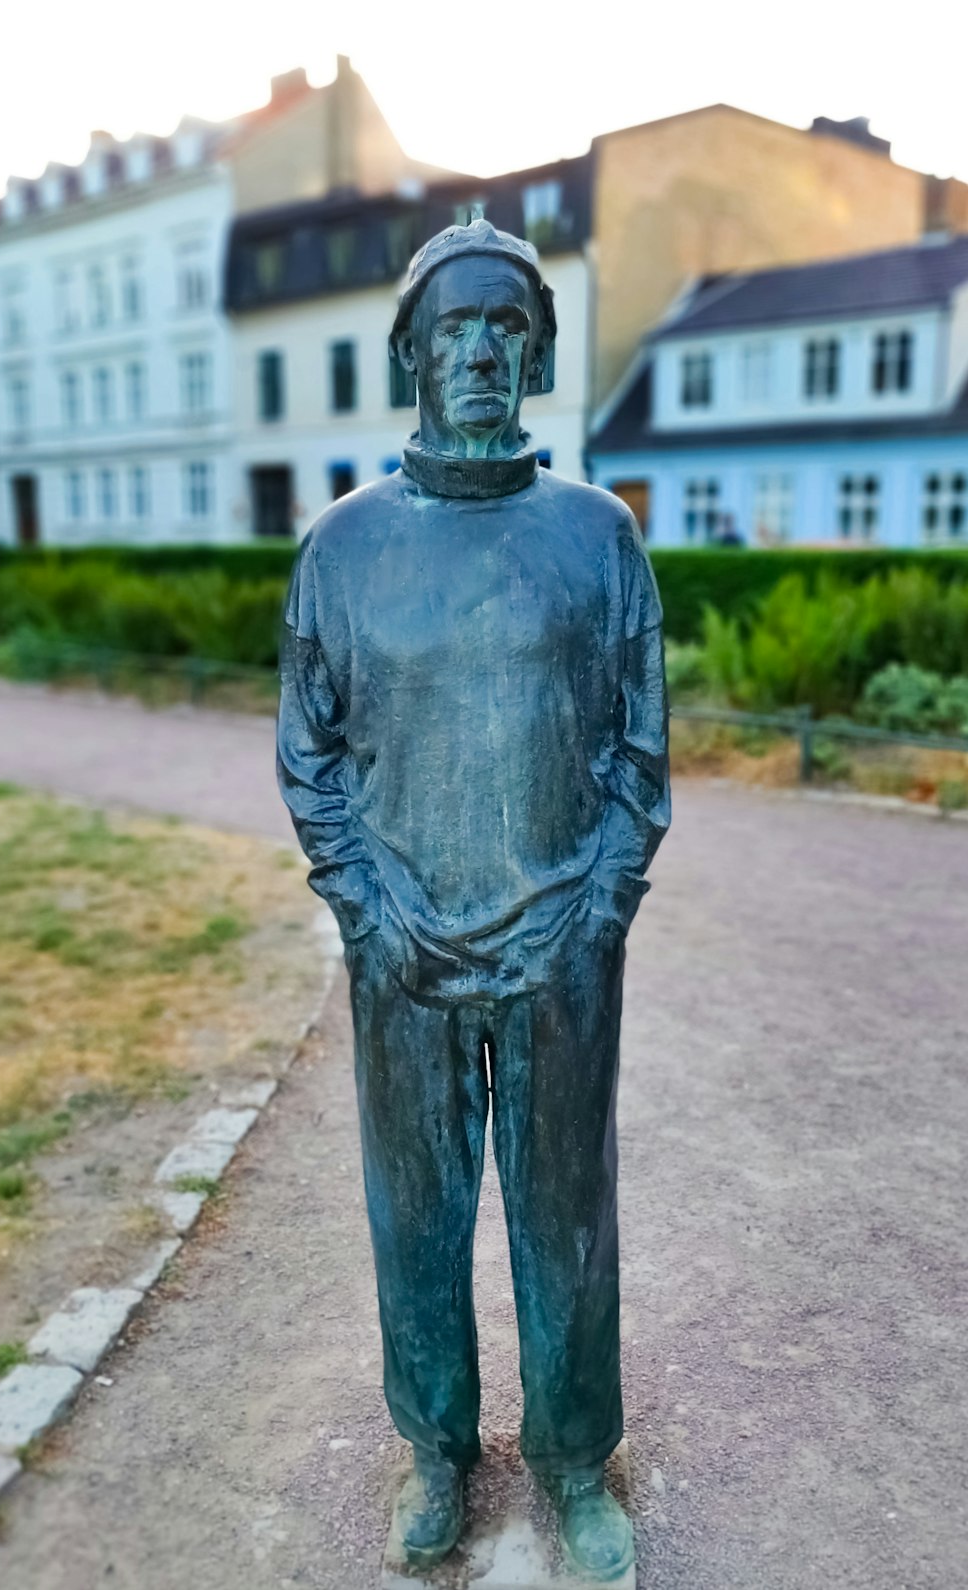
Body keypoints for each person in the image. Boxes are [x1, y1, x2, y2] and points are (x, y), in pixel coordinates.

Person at [277, 219, 670, 1581]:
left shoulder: (597, 537)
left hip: (563, 946)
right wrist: (366, 904)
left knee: (567, 1210)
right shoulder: (341, 549)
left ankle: (573, 1457)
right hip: (404, 953)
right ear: (413, 350)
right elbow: (309, 749)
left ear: (537, 349)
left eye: (507, 326)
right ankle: (437, 1448)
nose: (483, 350)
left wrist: (600, 906)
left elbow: (638, 749)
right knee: (416, 1212)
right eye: (455, 327)